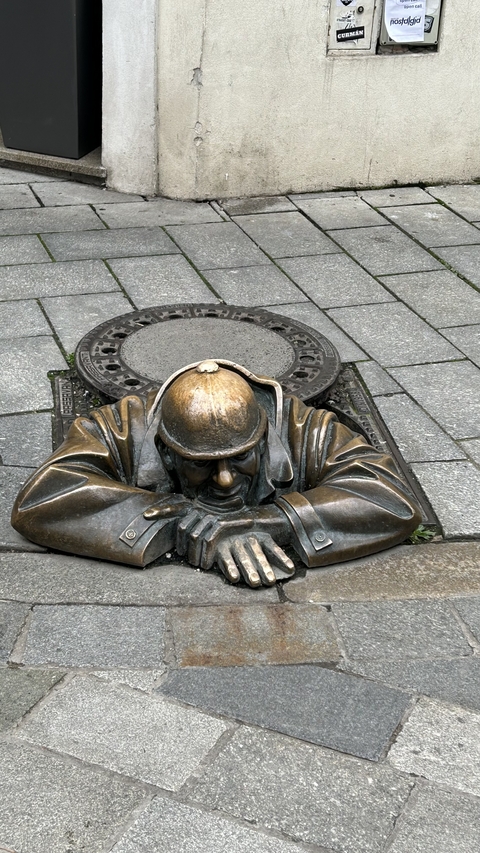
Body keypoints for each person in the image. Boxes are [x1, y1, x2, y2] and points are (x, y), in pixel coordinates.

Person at [11, 359, 421, 587]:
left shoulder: (304, 427)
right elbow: (43, 498)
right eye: (200, 464)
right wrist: (181, 523)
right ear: (165, 451)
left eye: (241, 457)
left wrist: (273, 521)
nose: (224, 479)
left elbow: (390, 497)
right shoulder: (121, 427)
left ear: (262, 438)